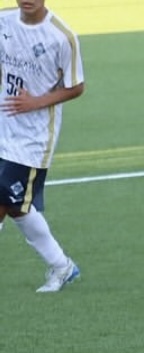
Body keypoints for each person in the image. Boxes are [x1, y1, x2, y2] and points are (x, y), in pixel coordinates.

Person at [0, 0, 84, 293]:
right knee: (16, 204)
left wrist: (35, 102)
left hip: (34, 137)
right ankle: (62, 266)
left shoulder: (62, 37)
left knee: (5, 197)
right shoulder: (4, 21)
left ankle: (62, 266)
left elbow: (76, 86)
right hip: (4, 124)